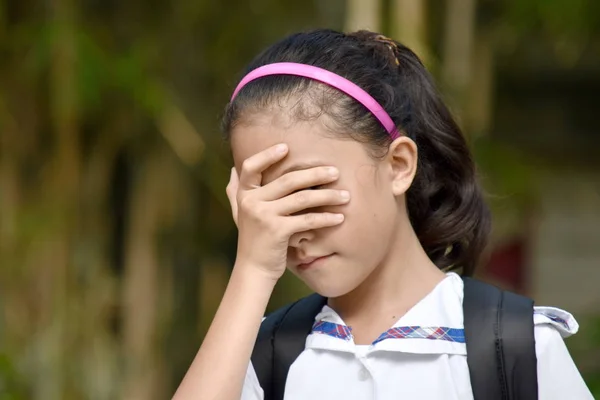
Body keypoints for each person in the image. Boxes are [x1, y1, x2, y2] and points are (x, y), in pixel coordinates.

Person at [173, 29, 593, 399]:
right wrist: (253, 269)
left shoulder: (518, 347)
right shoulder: (260, 353)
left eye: (306, 192)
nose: (293, 231)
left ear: (398, 165)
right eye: (268, 204)